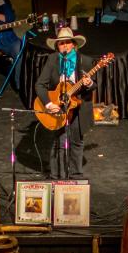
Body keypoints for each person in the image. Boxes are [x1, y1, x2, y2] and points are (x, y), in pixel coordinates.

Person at [37, 26, 95, 179]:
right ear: (57, 46)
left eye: (67, 42)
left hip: (78, 106)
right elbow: (40, 84)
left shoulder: (86, 61)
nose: (64, 46)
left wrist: (89, 83)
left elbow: (95, 85)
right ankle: (56, 175)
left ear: (74, 44)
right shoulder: (53, 59)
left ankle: (76, 175)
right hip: (59, 106)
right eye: (61, 43)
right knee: (59, 142)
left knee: (76, 141)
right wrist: (49, 104)